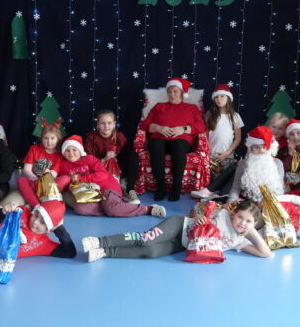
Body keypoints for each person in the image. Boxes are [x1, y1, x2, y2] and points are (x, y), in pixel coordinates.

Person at [81, 200, 272, 261]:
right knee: (147, 239)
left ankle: (105, 252)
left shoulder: (240, 241)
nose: (242, 223)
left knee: (150, 252)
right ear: (233, 215)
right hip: (179, 226)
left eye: (248, 221)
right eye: (240, 217)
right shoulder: (222, 215)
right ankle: (100, 241)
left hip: (180, 245)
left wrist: (251, 231)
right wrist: (199, 217)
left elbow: (266, 253)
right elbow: (199, 208)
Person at [57, 136, 166, 218]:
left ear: (80, 151)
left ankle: (148, 209)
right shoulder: (64, 166)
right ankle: (117, 206)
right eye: (67, 150)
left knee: (112, 209)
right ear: (63, 152)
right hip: (89, 194)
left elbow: (102, 175)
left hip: (106, 186)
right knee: (80, 209)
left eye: (74, 150)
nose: (71, 153)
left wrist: (81, 179)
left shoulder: (89, 159)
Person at [140, 77, 207, 201]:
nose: (172, 94)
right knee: (155, 145)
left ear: (181, 93)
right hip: (160, 137)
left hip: (182, 139)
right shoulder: (159, 106)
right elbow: (144, 124)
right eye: (169, 92)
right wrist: (159, 128)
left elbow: (202, 126)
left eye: (175, 91)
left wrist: (183, 129)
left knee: (178, 146)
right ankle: (161, 186)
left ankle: (176, 187)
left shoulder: (191, 108)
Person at [190, 84, 244, 200]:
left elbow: (238, 138)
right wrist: (207, 152)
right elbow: (204, 135)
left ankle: (219, 193)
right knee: (211, 176)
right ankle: (210, 190)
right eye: (216, 97)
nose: (219, 99)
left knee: (236, 168)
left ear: (228, 98)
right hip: (210, 157)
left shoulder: (235, 116)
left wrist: (227, 153)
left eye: (222, 96)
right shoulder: (210, 114)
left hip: (227, 157)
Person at [84, 110, 139, 196]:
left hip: (118, 168)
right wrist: (105, 159)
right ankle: (109, 186)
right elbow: (88, 162)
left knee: (133, 156)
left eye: (109, 123)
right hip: (100, 168)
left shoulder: (119, 136)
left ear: (114, 124)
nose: (106, 126)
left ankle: (130, 189)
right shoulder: (91, 138)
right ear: (98, 124)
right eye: (103, 123)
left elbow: (126, 155)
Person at [227, 125, 285, 203]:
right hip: (248, 204)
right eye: (257, 147)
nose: (261, 151)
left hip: (271, 204)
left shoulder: (278, 163)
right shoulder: (243, 164)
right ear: (251, 148)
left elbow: (279, 191)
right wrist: (230, 205)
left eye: (264, 147)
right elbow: (235, 189)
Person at [17, 119, 64, 208]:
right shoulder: (34, 149)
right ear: (41, 139)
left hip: (48, 184)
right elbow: (26, 169)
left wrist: (44, 181)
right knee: (21, 180)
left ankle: (49, 197)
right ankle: (37, 205)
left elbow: (53, 174)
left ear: (58, 139)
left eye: (52, 138)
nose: (49, 142)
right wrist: (34, 179)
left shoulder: (59, 155)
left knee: (65, 179)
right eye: (46, 138)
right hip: (34, 181)